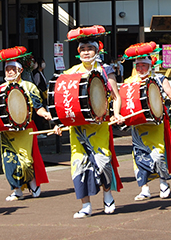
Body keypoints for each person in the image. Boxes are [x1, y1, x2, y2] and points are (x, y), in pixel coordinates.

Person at [53, 25, 124, 218]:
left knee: (102, 164)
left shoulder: (105, 70)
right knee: (79, 165)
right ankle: (86, 206)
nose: (86, 52)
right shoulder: (70, 73)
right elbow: (62, 100)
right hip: (77, 129)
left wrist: (116, 114)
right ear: (78, 52)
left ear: (97, 50)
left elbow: (116, 97)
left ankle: (107, 195)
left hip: (99, 126)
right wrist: (58, 123)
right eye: (83, 49)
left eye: (90, 49)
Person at [120, 42, 171, 201]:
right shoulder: (129, 82)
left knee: (157, 154)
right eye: (138, 66)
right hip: (138, 125)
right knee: (139, 155)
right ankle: (144, 188)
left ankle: (163, 182)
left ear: (150, 66)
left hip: (155, 124)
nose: (140, 69)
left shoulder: (159, 78)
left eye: (144, 65)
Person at [0, 47, 52, 201]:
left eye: (13, 69)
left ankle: (33, 183)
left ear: (19, 70)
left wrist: (45, 113)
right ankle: (17, 190)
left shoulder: (29, 86)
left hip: (26, 129)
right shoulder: (0, 89)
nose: (9, 72)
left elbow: (38, 106)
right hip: (8, 130)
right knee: (9, 161)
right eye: (7, 69)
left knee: (25, 161)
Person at [31, 57, 49, 131]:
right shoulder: (37, 73)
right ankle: (39, 129)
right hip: (39, 95)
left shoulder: (41, 73)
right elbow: (37, 85)